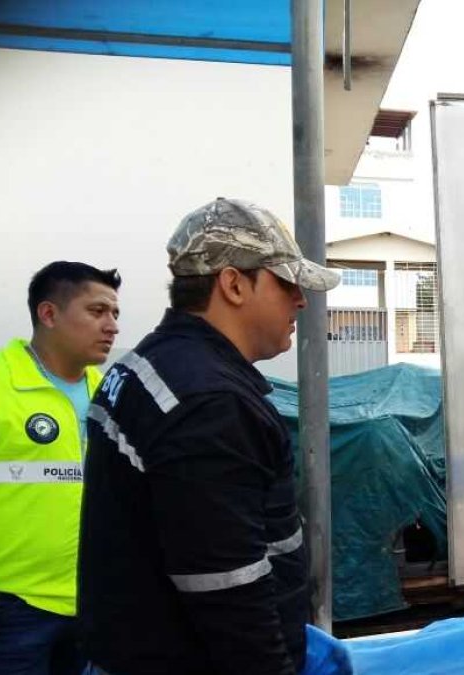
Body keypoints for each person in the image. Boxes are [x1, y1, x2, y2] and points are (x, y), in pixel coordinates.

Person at [77, 198, 340, 675]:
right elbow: (227, 591)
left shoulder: (150, 367)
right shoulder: (210, 403)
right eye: (286, 283)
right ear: (234, 284)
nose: (301, 299)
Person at [0, 262, 120, 674]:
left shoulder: (108, 394)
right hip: (7, 608)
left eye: (115, 314)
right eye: (97, 312)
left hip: (91, 605)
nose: (111, 326)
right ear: (48, 314)